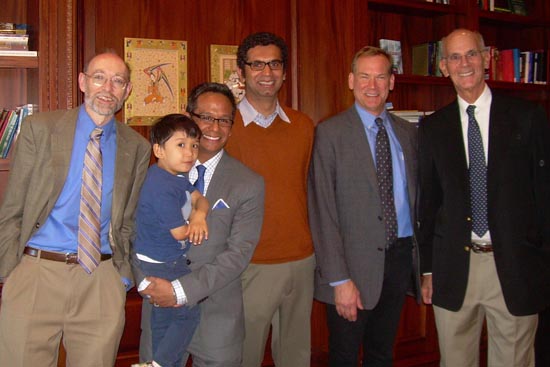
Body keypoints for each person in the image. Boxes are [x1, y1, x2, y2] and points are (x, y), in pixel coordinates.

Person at [0, 51, 151, 366]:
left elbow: (127, 221)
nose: (107, 88)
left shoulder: (137, 147)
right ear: (83, 82)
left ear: (128, 90)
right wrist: (10, 274)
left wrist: (121, 278)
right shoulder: (40, 129)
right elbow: (12, 208)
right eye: (99, 77)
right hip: (37, 273)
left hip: (100, 277)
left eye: (118, 81)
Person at [418, 29, 550, 367]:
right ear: (443, 67)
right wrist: (428, 269)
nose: (465, 64)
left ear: (486, 58)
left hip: (516, 266)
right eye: (455, 57)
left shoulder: (528, 117)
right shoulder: (432, 127)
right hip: (453, 267)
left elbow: (543, 194)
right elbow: (429, 204)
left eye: (471, 54)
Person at [137, 82, 265, 367]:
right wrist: (146, 283)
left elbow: (238, 255)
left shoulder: (248, 184)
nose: (214, 127)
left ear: (232, 126)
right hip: (159, 310)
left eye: (223, 120)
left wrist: (180, 291)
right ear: (189, 118)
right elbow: (131, 233)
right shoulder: (152, 176)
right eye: (206, 117)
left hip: (217, 320)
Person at [308, 46, 420, 367]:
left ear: (392, 82)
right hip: (351, 265)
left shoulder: (408, 133)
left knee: (382, 353)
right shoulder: (330, 133)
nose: (373, 86)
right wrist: (339, 279)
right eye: (365, 76)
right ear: (351, 80)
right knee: (344, 355)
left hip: (398, 259)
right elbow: (322, 212)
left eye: (380, 76)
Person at [223, 31, 315, 367]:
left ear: (285, 72)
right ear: (242, 71)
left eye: (274, 64)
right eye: (257, 64)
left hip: (301, 261)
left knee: (296, 357)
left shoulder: (304, 126)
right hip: (249, 264)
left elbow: (308, 190)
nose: (267, 72)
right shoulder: (225, 128)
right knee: (243, 356)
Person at [132, 114, 209, 367]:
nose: (190, 153)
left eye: (194, 145)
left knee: (163, 319)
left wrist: (199, 215)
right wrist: (195, 225)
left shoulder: (176, 177)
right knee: (187, 312)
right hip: (160, 261)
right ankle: (160, 364)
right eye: (180, 145)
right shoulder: (159, 185)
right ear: (158, 150)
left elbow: (201, 199)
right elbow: (178, 233)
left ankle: (157, 362)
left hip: (165, 256)